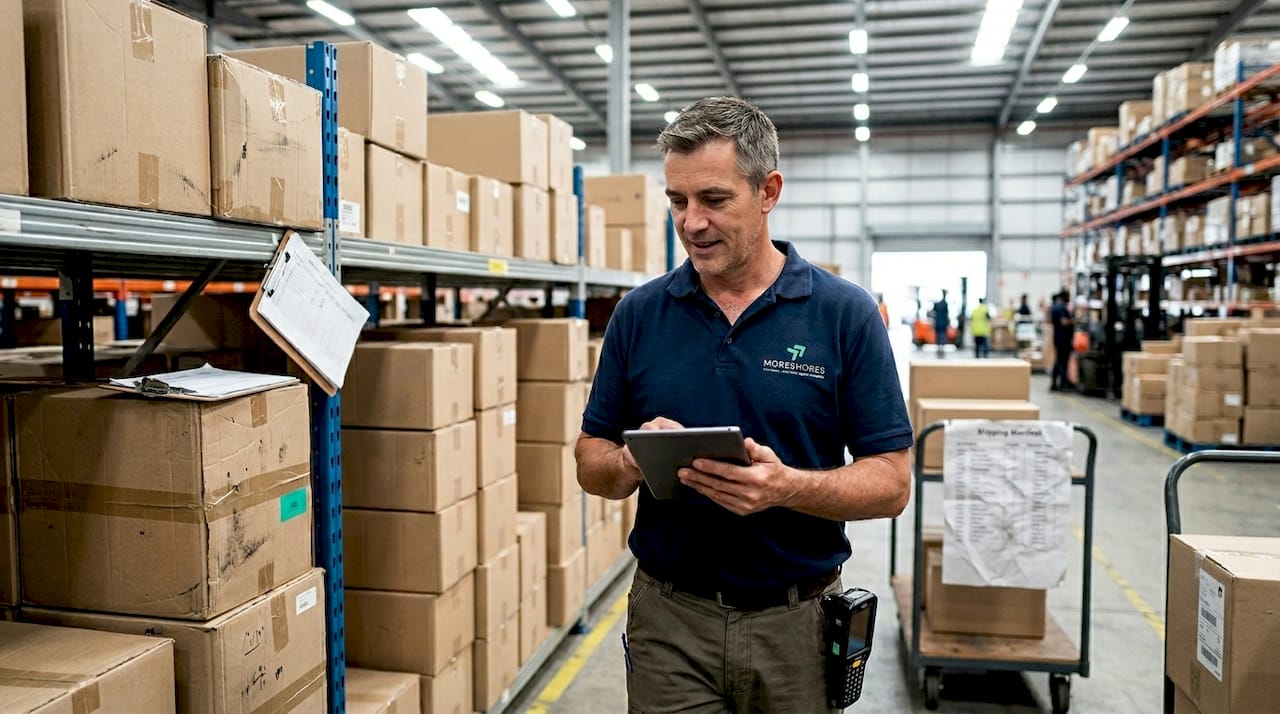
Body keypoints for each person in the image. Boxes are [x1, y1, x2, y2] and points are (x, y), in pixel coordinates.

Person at [575, 96, 913, 713]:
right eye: (677, 202)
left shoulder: (844, 314)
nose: (691, 222)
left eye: (714, 199)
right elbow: (589, 459)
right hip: (668, 623)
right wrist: (629, 462)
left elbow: (891, 483)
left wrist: (786, 487)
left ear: (768, 190)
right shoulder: (639, 316)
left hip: (797, 627)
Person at [1050, 290, 1075, 391]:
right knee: (1062, 361)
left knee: (1059, 360)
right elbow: (1063, 322)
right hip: (1062, 339)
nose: (1069, 299)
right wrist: (1074, 321)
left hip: (1059, 338)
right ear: (1064, 296)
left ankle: (1055, 383)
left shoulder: (1056, 306)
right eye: (1068, 296)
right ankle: (1062, 384)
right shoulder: (1060, 307)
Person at [932, 289, 950, 357]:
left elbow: (933, 312)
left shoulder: (937, 304)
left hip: (938, 322)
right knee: (942, 335)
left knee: (938, 335)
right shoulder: (945, 304)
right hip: (943, 323)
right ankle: (941, 347)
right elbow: (946, 315)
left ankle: (939, 347)